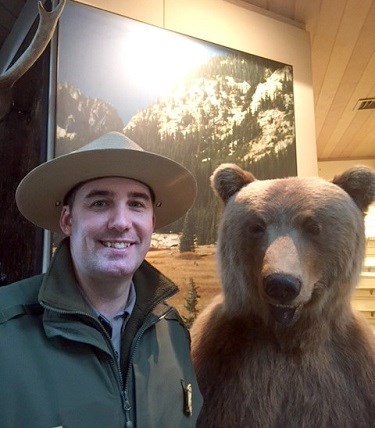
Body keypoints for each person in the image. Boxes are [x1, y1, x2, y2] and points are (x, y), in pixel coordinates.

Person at [0, 131, 203, 427]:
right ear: (68, 221)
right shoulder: (6, 329)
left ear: (151, 223)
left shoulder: (172, 332)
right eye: (99, 203)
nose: (121, 222)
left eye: (136, 204)